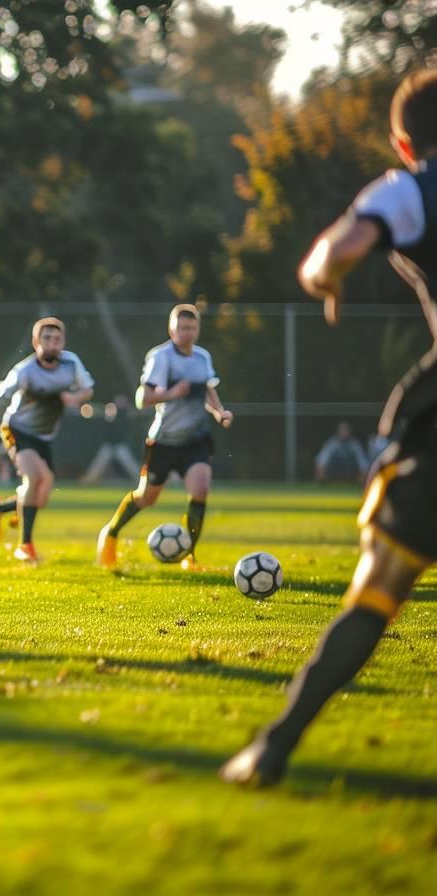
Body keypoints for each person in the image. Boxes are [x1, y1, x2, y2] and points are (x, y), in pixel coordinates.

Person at [222, 70, 437, 786]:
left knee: (380, 587)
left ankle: (274, 749)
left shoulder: (408, 188)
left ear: (404, 141)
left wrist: (329, 280)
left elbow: (329, 255)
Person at [95, 304, 234, 570]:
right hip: (164, 441)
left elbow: (207, 389)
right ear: (171, 329)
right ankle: (111, 532)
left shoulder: (202, 357)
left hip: (196, 439)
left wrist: (219, 412)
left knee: (201, 488)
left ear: (198, 330)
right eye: (182, 328)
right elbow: (142, 398)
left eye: (192, 328)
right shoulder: (161, 357)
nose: (187, 333)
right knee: (147, 497)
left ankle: (190, 555)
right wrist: (171, 394)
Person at [0, 318, 94, 564]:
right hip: (16, 430)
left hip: (44, 435)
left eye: (57, 339)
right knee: (36, 478)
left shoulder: (71, 363)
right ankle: (25, 545)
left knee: (42, 495)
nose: (52, 344)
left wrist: (75, 398)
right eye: (47, 339)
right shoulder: (24, 371)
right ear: (35, 342)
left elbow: (87, 390)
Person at [79, 393, 142, 483]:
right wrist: (109, 413)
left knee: (131, 465)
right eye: (118, 400)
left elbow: (135, 414)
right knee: (97, 465)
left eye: (122, 400)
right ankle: (89, 480)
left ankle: (141, 480)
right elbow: (93, 412)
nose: (120, 402)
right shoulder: (109, 411)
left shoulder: (126, 413)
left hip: (120, 445)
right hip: (108, 444)